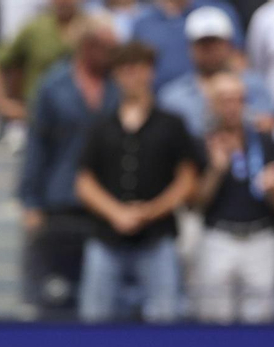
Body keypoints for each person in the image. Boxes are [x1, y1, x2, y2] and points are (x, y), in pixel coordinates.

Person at [75, 40, 202, 320]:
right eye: (125, 70)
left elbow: (188, 178)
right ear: (116, 75)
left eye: (139, 68)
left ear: (150, 72)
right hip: (107, 236)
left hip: (157, 236)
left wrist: (150, 211)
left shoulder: (171, 123)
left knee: (165, 314)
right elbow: (84, 181)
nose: (132, 76)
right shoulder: (101, 125)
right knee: (94, 315)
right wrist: (116, 212)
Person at [18, 19, 120, 317]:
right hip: (60, 201)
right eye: (106, 47)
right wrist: (30, 201)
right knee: (55, 295)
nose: (112, 54)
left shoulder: (118, 87)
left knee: (102, 303)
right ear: (87, 46)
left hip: (107, 204)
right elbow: (37, 145)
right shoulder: (54, 85)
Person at [191, 72, 274, 319]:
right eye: (224, 99)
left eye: (238, 99)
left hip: (261, 238)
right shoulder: (201, 143)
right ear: (211, 103)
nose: (232, 106)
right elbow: (196, 204)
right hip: (218, 238)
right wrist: (215, 171)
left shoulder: (264, 140)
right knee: (215, 321)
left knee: (261, 323)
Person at [158, 5, 274, 136]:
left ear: (229, 45)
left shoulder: (254, 85)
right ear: (190, 48)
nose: (210, 51)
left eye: (215, 44)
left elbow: (269, 127)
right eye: (203, 45)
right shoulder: (173, 98)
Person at [0, 0, 85, 146]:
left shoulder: (93, 27)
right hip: (39, 121)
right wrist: (3, 104)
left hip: (83, 122)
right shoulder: (36, 28)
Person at [131, 0, 245, 88]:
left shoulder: (217, 10)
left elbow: (239, 59)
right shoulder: (143, 22)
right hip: (162, 102)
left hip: (217, 92)